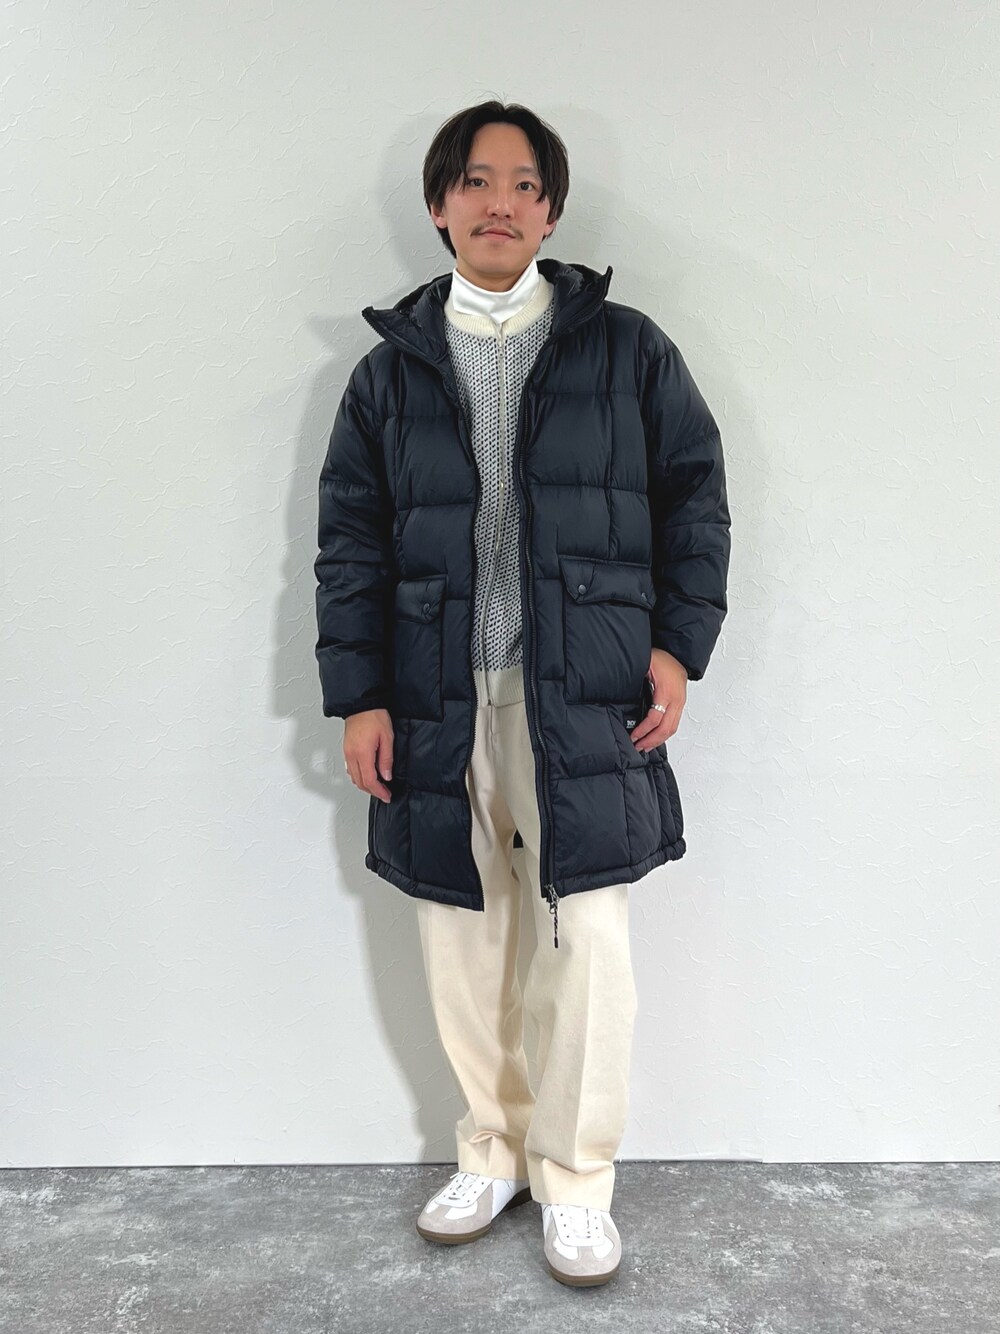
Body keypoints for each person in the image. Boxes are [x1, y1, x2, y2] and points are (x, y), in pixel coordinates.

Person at [314, 100, 730, 1288]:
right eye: (477, 181)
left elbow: (695, 499)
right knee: (460, 932)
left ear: (550, 212)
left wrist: (678, 645)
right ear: (439, 204)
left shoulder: (627, 349)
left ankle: (576, 1178)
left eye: (525, 185)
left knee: (585, 934)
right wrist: (359, 693)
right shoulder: (387, 374)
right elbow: (349, 543)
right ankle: (488, 1151)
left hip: (586, 690)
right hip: (435, 691)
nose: (500, 203)